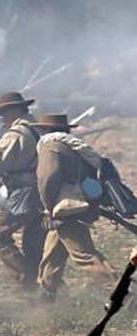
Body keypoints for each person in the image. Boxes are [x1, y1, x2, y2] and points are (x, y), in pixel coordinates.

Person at [34, 113, 112, 301]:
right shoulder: (71, 146)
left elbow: (47, 178)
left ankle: (125, 293)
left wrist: (48, 206)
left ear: (44, 129)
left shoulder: (50, 146)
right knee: (52, 255)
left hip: (63, 209)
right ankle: (46, 296)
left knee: (84, 257)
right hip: (74, 206)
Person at [0, 92, 44, 293]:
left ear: (13, 111)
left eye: (4, 114)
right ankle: (46, 286)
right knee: (32, 244)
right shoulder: (36, 128)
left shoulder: (17, 133)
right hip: (37, 191)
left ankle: (28, 281)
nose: (3, 119)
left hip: (21, 192)